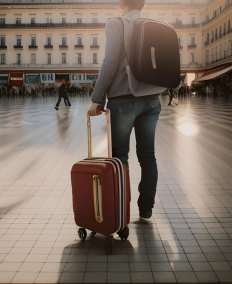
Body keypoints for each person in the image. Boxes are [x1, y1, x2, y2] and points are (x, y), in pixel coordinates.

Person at [88, 0, 162, 224]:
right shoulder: (155, 25)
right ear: (144, 4)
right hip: (152, 100)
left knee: (120, 158)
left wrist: (97, 98)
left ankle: (121, 213)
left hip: (123, 100)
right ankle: (146, 211)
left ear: (121, 2)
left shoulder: (116, 23)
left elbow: (110, 61)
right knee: (148, 157)